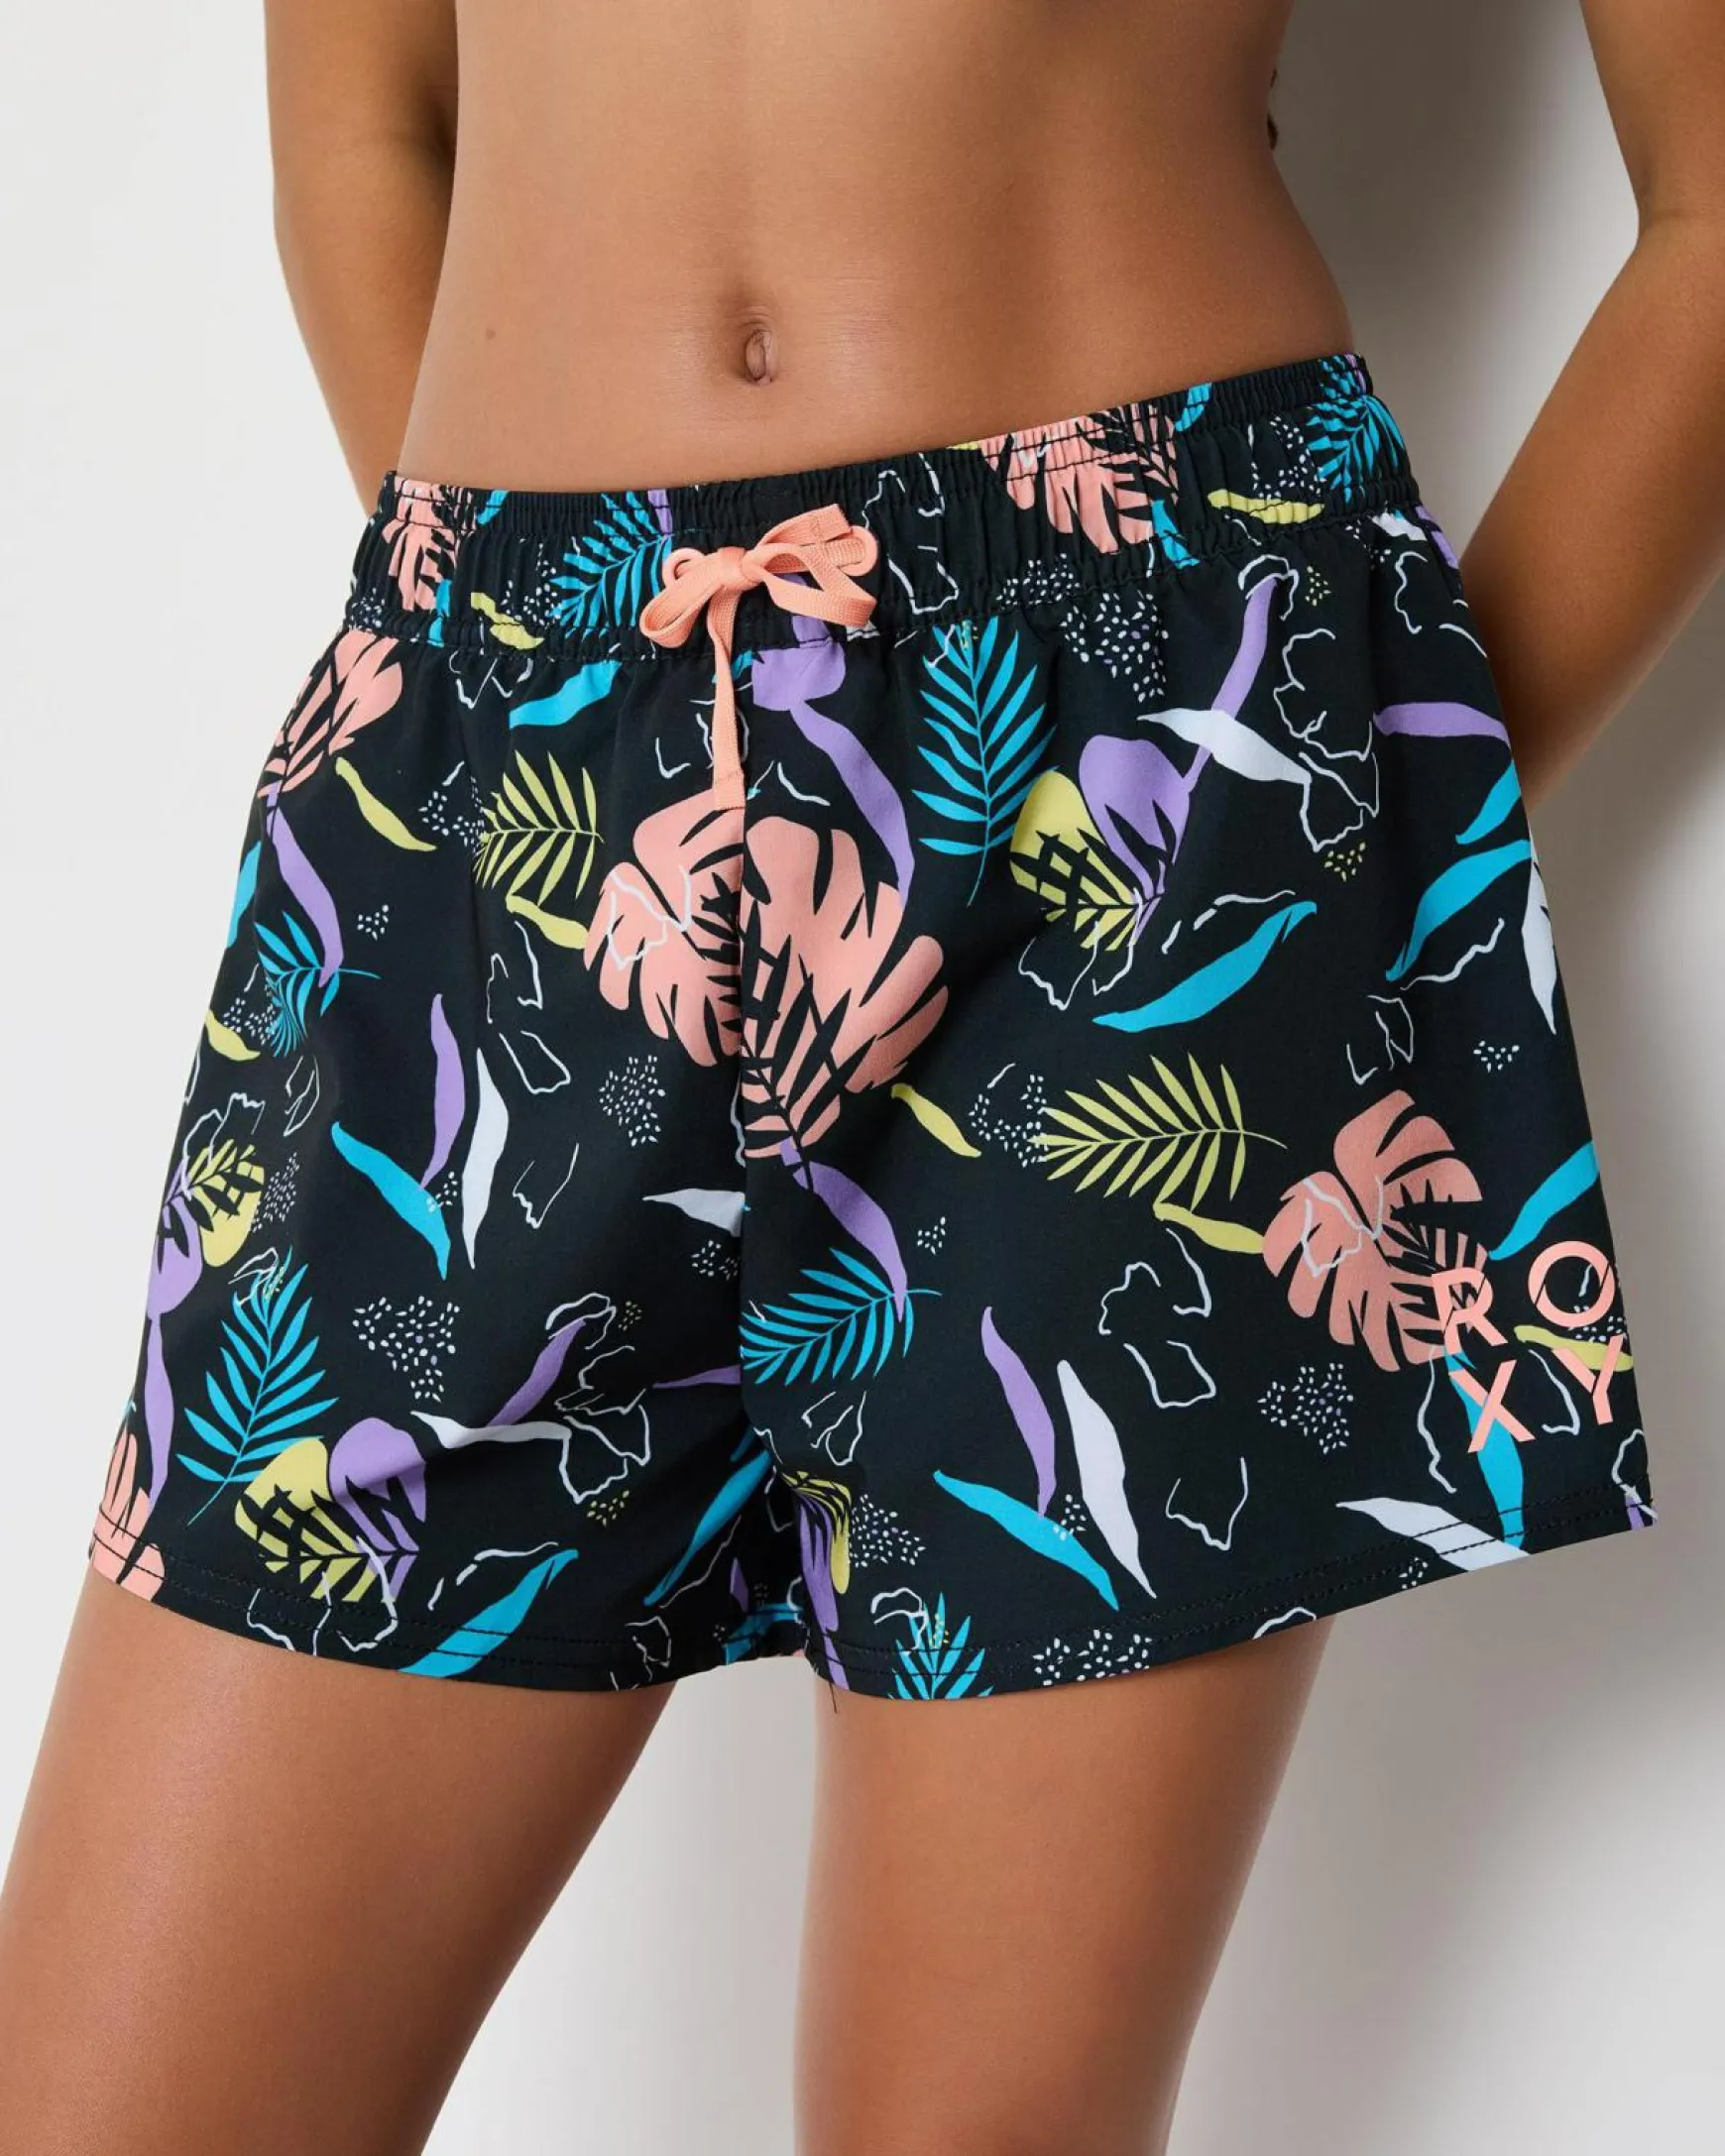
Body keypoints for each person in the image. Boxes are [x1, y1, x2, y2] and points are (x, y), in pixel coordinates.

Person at [0, 4, 1717, 2150]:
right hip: (504, 781)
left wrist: (1366, 840)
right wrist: (546, 677)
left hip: (1129, 786)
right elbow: (362, 121)